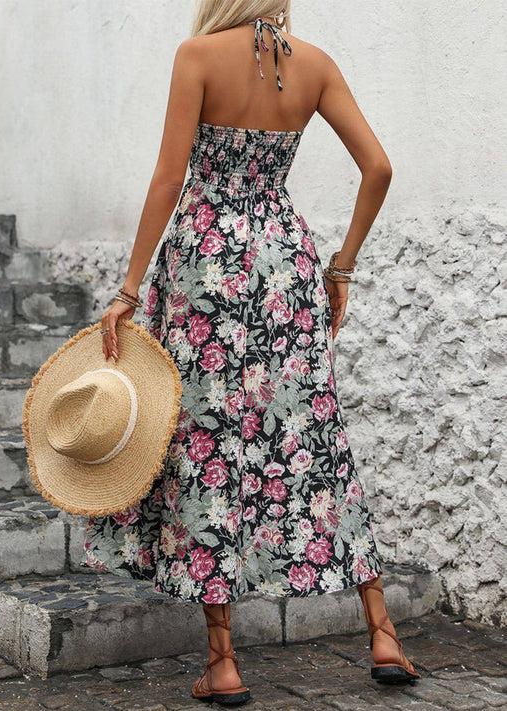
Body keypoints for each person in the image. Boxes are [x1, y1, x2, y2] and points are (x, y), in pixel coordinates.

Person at [81, 0, 420, 704]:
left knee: (208, 439)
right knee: (312, 432)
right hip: (285, 262)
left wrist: (128, 288)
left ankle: (224, 662)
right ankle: (383, 633)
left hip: (207, 264)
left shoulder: (197, 56)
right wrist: (341, 268)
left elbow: (169, 179)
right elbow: (379, 168)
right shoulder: (315, 65)